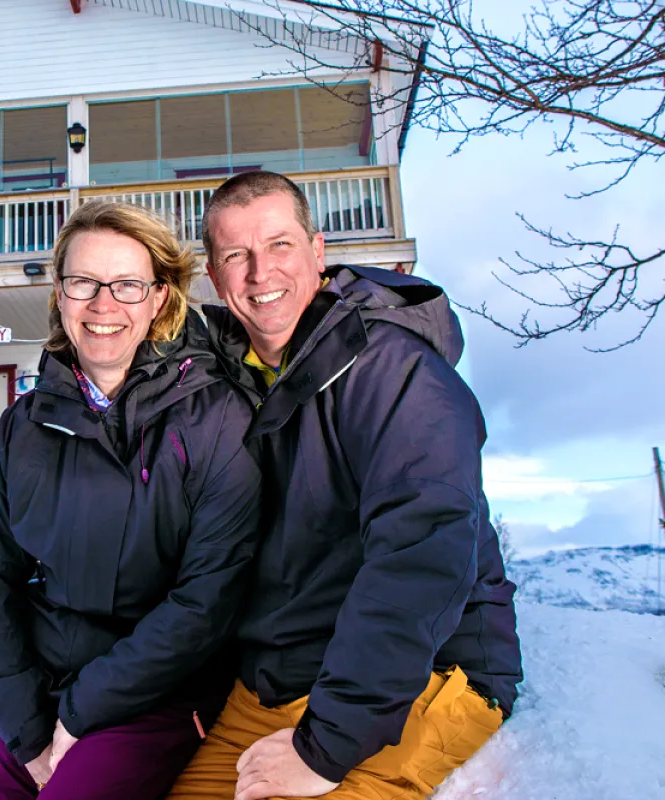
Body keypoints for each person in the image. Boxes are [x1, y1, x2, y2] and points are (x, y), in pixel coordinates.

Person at [169, 172, 523, 800]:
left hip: (423, 679)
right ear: (216, 279)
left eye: (279, 245)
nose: (260, 272)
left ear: (318, 251)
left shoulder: (396, 372)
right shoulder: (229, 384)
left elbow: (421, 553)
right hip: (274, 685)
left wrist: (326, 748)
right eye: (236, 256)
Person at [0, 201, 263, 799]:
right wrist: (25, 720)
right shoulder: (24, 425)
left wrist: (78, 714)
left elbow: (205, 602)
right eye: (84, 282)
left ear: (160, 298)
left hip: (156, 691)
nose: (104, 304)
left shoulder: (214, 420)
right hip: (35, 689)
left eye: (128, 285)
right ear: (60, 294)